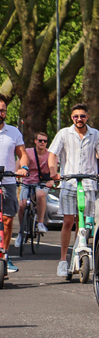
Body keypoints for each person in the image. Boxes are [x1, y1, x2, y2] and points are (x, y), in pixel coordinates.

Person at [48, 103, 99, 277]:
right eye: (76, 116)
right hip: (69, 182)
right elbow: (52, 154)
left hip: (88, 182)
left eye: (82, 116)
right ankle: (62, 260)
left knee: (83, 222)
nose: (79, 119)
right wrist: (53, 172)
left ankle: (80, 250)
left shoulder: (95, 134)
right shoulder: (64, 134)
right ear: (71, 118)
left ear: (87, 117)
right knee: (68, 220)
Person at [0, 93, 29, 273]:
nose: (0, 113)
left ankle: (5, 254)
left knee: (8, 220)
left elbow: (23, 154)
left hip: (8, 180)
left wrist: (23, 167)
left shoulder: (13, 132)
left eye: (2, 110)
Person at [15, 132, 54, 248]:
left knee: (41, 195)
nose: (42, 143)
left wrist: (52, 179)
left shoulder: (50, 155)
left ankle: (40, 223)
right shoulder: (27, 152)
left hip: (41, 183)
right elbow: (18, 166)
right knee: (22, 205)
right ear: (35, 141)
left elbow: (53, 168)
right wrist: (16, 175)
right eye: (40, 140)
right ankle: (21, 232)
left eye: (45, 141)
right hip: (27, 182)